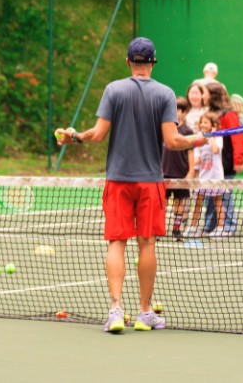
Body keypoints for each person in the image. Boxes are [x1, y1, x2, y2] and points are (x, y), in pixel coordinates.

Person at [55, 37, 201, 334]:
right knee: (147, 243)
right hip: (150, 183)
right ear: (152, 62)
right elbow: (173, 142)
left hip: (118, 180)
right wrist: (198, 139)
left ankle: (115, 310)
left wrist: (74, 136)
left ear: (128, 62)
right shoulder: (165, 94)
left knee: (116, 243)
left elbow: (96, 135)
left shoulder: (113, 90)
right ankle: (144, 313)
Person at [202, 82, 243, 234]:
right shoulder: (210, 114)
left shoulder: (229, 115)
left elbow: (238, 138)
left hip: (225, 163)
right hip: (212, 165)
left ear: (213, 96)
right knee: (210, 195)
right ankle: (210, 225)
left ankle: (228, 226)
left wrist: (238, 160)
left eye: (205, 93)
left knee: (224, 195)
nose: (202, 96)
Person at [187, 112, 228, 238]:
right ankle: (193, 228)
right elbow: (197, 158)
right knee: (197, 203)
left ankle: (220, 229)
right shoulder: (198, 138)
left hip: (215, 177)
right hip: (203, 178)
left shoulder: (218, 137)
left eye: (206, 122)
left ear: (213, 125)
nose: (203, 125)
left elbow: (215, 150)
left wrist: (212, 136)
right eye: (202, 122)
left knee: (218, 203)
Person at [163, 97, 196, 241]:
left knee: (179, 204)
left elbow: (190, 152)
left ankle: (176, 229)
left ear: (184, 112)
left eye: (178, 109)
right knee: (161, 204)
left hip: (181, 174)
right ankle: (159, 229)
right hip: (163, 173)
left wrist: (190, 172)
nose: (175, 112)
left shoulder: (187, 131)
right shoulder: (163, 128)